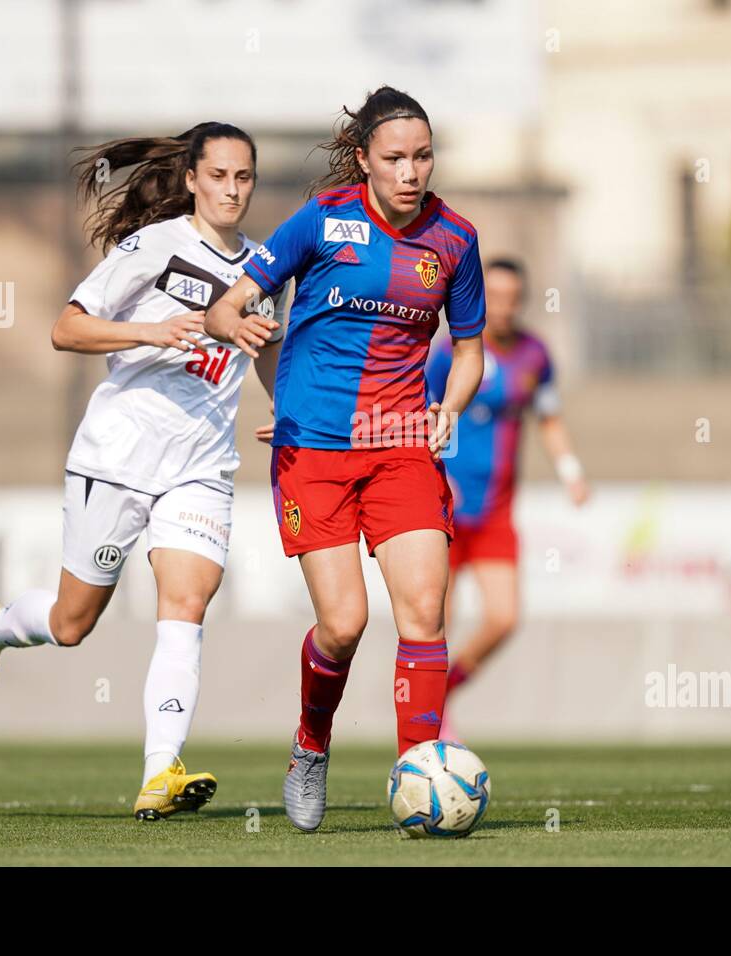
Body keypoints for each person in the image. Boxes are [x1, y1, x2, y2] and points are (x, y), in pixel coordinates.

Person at [0, 122, 285, 821]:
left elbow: (263, 352)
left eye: (244, 177)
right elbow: (66, 328)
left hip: (200, 467)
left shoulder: (263, 268)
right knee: (74, 624)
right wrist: (150, 331)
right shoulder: (153, 248)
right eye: (219, 175)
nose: (231, 189)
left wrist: (289, 412)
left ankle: (159, 773)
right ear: (193, 180)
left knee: (187, 606)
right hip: (116, 459)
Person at [203, 86, 486, 831]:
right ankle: (310, 743)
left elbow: (471, 353)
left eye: (423, 156)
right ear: (363, 158)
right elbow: (226, 305)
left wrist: (447, 410)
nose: (411, 171)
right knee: (345, 626)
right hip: (314, 452)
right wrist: (242, 327)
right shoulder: (323, 221)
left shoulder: (455, 239)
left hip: (400, 451)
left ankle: (419, 775)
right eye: (394, 157)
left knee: (423, 615)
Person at [426, 258, 589, 735]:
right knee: (438, 621)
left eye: (511, 298)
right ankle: (427, 717)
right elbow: (424, 412)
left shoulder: (534, 355)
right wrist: (435, 470)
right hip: (446, 509)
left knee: (504, 617)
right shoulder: (450, 353)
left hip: (496, 512)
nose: (502, 307)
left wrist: (571, 472)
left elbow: (549, 418)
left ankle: (446, 689)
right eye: (493, 297)